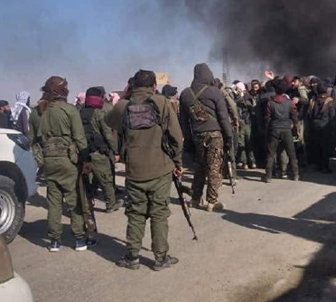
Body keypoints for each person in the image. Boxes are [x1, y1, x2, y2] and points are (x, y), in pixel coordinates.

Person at [106, 69, 184, 271]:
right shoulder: (161, 103)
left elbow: (109, 123)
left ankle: (132, 256)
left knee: (136, 214)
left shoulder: (123, 106)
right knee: (159, 213)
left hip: (134, 170)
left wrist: (125, 96)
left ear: (132, 85)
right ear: (153, 86)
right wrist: (177, 162)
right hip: (160, 168)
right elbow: (176, 136)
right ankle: (160, 258)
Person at [37, 76, 88, 252]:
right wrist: (85, 159)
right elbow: (80, 138)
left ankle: (54, 241)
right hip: (68, 160)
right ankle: (80, 239)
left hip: (49, 160)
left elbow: (40, 138)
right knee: (74, 201)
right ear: (62, 91)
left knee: (54, 202)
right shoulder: (70, 110)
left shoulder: (43, 112)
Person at [180, 63, 234, 211]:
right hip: (215, 135)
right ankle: (212, 201)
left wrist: (188, 140)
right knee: (214, 167)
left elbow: (183, 122)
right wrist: (229, 137)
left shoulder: (185, 94)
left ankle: (195, 198)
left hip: (197, 135)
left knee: (200, 167)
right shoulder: (214, 92)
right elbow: (223, 117)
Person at [80, 86, 123, 214]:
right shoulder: (99, 113)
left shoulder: (79, 112)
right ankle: (111, 204)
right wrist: (115, 150)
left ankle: (86, 206)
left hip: (83, 152)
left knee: (85, 181)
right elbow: (107, 134)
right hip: (98, 152)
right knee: (106, 180)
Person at [263, 78, 299, 182]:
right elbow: (294, 115)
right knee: (291, 153)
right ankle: (295, 175)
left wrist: (267, 129)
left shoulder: (270, 103)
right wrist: (295, 126)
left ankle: (268, 176)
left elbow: (267, 118)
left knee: (270, 153)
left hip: (274, 129)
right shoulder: (289, 102)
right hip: (286, 129)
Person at [308, 79, 336, 173]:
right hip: (325, 126)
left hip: (315, 125)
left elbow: (310, 113)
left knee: (318, 146)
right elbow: (332, 116)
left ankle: (319, 165)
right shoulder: (329, 100)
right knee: (326, 147)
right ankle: (325, 167)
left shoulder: (313, 100)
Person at [235, 81, 256, 169]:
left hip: (244, 124)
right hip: (245, 123)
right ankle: (249, 162)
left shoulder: (244, 98)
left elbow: (252, 111)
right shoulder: (248, 97)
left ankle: (247, 162)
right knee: (246, 143)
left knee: (244, 143)